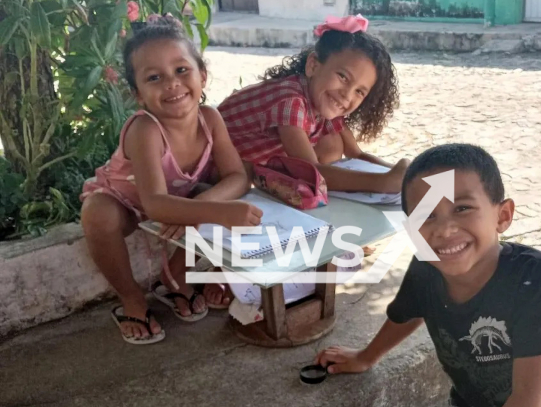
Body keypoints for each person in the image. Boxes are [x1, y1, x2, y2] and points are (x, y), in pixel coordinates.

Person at [315, 144, 541, 407]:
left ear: (503, 215)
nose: (444, 229)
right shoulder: (426, 268)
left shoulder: (535, 280)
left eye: (462, 208)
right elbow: (407, 313)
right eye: (426, 215)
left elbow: (528, 405)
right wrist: (366, 356)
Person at [80, 16, 262, 345]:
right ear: (137, 94)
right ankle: (132, 299)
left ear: (202, 75)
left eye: (181, 70)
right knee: (96, 213)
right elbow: (154, 204)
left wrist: (201, 205)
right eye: (154, 77)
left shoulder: (211, 119)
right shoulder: (145, 129)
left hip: (176, 201)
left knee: (214, 193)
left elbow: (238, 177)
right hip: (126, 203)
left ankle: (175, 276)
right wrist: (213, 212)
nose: (172, 83)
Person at [217, 14, 409, 195]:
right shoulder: (290, 101)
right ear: (313, 66)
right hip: (209, 165)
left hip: (240, 167)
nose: (347, 95)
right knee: (319, 159)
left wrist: (407, 176)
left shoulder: (322, 101)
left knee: (332, 142)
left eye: (359, 91)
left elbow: (356, 154)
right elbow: (312, 174)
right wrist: (383, 182)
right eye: (342, 77)